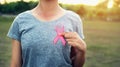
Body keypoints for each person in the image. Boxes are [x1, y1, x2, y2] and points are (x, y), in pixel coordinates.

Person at [7, 0, 86, 67]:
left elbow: (76, 64)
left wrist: (82, 52)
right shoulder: (20, 20)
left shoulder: (74, 20)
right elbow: (15, 64)